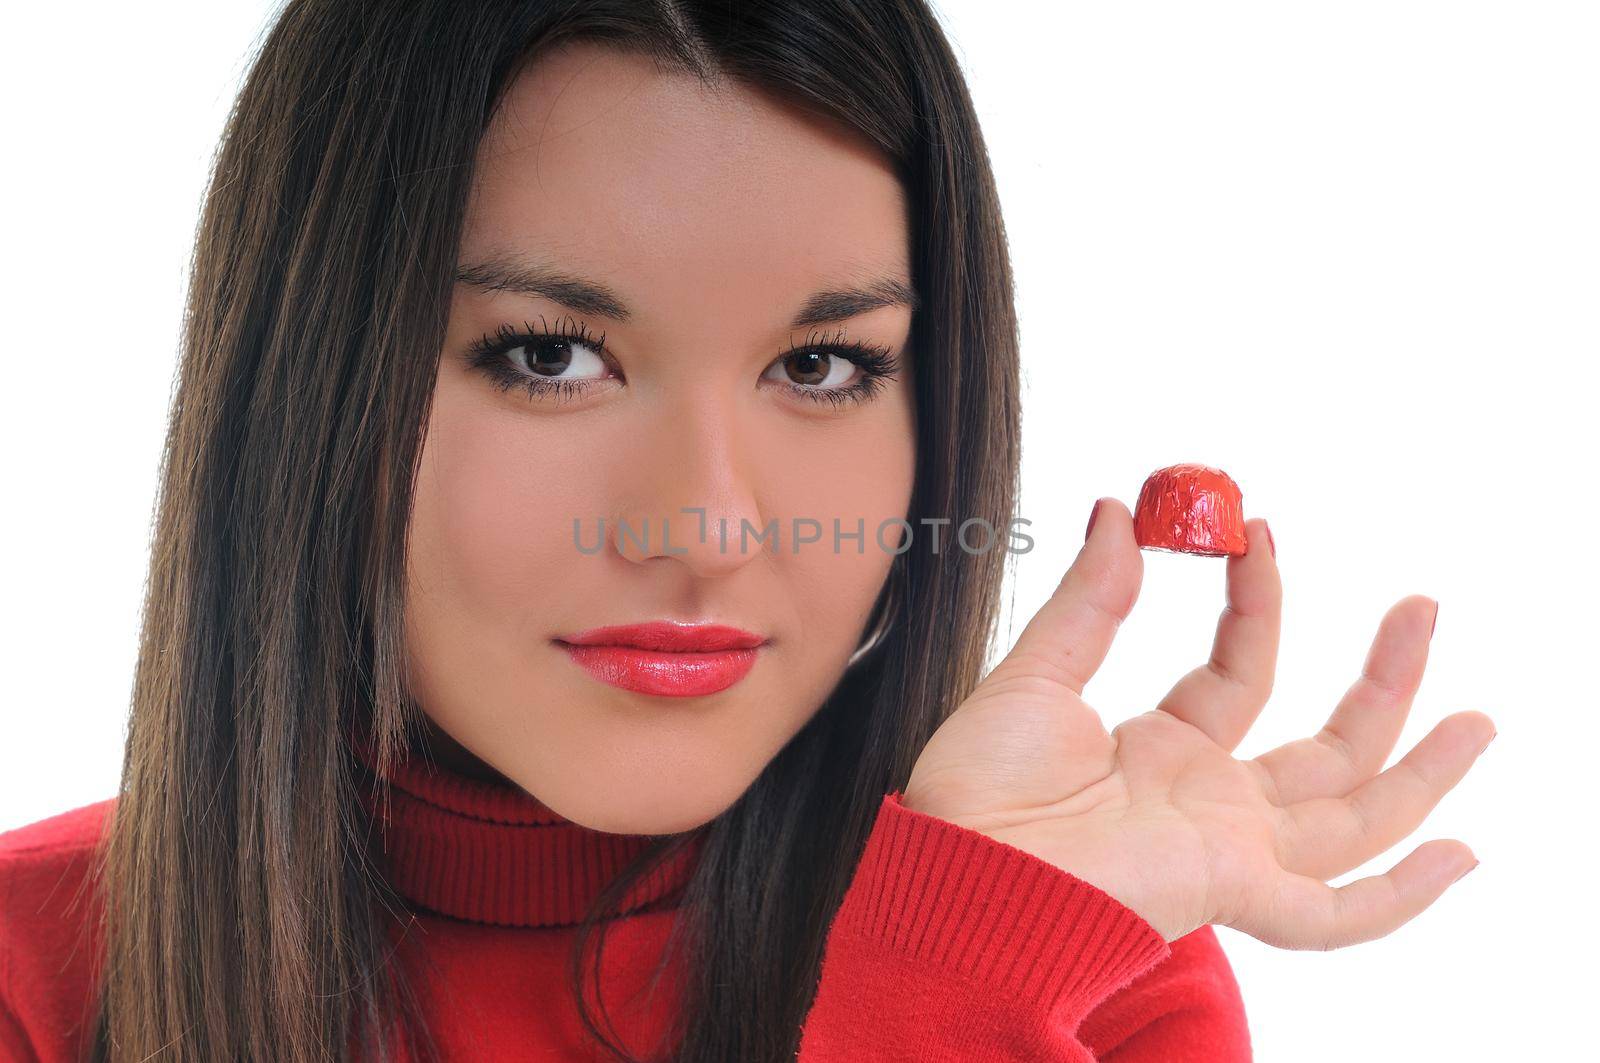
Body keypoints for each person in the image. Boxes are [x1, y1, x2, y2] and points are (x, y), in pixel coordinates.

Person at [0, 2, 1492, 1060]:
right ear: (302, 383)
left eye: (822, 367)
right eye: (546, 356)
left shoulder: (1075, 976)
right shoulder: (27, 978)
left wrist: (960, 987)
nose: (707, 529)